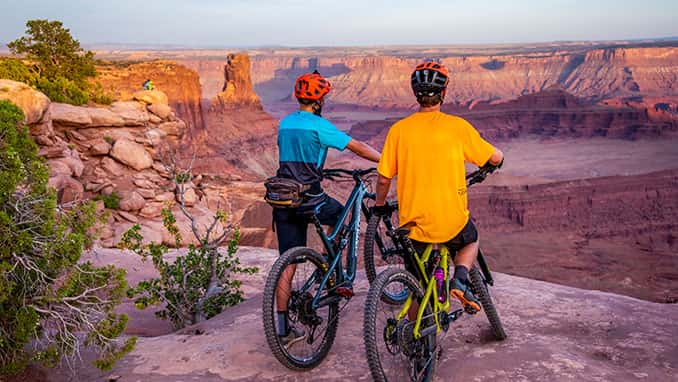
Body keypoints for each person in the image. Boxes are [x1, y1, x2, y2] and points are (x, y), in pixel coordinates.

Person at [373, 62, 504, 313]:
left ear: (416, 95)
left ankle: (415, 344)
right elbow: (494, 157)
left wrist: (379, 206)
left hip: (413, 224)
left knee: (416, 288)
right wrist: (499, 159)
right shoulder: (457, 127)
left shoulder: (398, 130)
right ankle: (460, 279)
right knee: (470, 239)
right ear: (443, 93)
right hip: (450, 221)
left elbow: (383, 178)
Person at [272, 70, 380, 346]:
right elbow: (357, 146)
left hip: (284, 199)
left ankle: (282, 329)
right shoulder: (320, 126)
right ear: (319, 102)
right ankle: (328, 267)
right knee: (340, 218)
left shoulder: (285, 123)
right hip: (311, 199)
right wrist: (385, 160)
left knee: (288, 264)